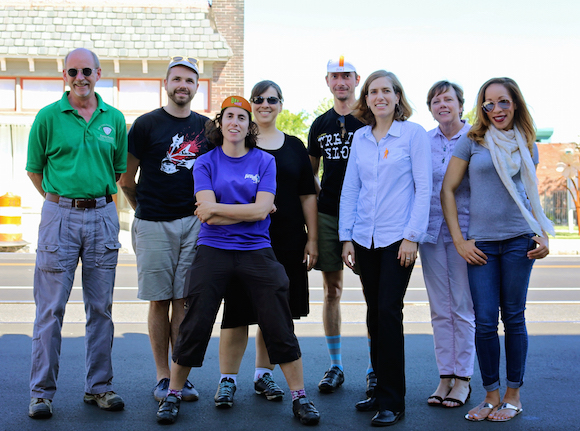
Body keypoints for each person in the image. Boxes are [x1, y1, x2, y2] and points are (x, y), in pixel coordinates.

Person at [155, 96, 320, 426]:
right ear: (220, 123)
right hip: (213, 250)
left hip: (257, 250)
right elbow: (207, 216)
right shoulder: (205, 162)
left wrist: (224, 209)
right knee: (196, 320)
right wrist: (250, 212)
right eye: (228, 116)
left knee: (278, 320)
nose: (235, 122)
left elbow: (255, 209)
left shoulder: (264, 162)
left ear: (249, 126)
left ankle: (300, 397)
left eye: (241, 118)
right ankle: (172, 395)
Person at [441, 77, 553, 422]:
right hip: (483, 245)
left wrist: (544, 235)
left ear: (514, 103)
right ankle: (490, 395)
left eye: (502, 102)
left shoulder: (528, 144)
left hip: (520, 240)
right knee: (486, 321)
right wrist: (460, 240)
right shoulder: (472, 142)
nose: (496, 109)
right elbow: (447, 190)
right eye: (488, 104)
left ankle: (513, 396)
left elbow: (530, 196)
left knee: (514, 318)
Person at [25, 48, 127, 419]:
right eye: (73, 71)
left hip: (102, 216)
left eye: (87, 70)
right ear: (64, 75)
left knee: (101, 308)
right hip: (59, 217)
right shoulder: (48, 117)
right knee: (50, 310)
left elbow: (117, 172)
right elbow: (35, 169)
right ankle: (41, 393)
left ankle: (99, 388)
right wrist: (61, 203)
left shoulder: (114, 119)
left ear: (98, 73)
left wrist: (90, 201)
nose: (80, 77)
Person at [215, 81, 318, 406]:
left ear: (281, 104)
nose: (264, 104)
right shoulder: (237, 146)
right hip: (242, 242)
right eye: (257, 100)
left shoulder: (295, 147)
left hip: (287, 243)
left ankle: (263, 374)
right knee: (237, 313)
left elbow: (307, 195)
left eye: (271, 99)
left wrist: (312, 238)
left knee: (276, 315)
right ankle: (227, 380)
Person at [339, 70, 432, 427]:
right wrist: (346, 237)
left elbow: (423, 190)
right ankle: (379, 391)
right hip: (364, 238)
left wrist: (413, 236)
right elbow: (351, 190)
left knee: (389, 313)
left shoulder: (413, 135)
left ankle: (393, 400)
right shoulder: (361, 137)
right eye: (373, 91)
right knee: (374, 314)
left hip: (398, 240)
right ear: (367, 99)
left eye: (386, 91)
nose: (380, 97)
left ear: (397, 97)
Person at [119, 56, 213, 403]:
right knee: (160, 301)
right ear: (166, 83)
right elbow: (126, 179)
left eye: (189, 81)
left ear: (196, 87)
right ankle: (162, 377)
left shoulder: (207, 129)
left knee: (183, 301)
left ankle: (179, 376)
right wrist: (143, 209)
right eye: (177, 79)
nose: (182, 85)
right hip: (153, 223)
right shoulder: (145, 125)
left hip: (193, 224)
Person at [307, 56, 370, 395]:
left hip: (367, 217)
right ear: (328, 81)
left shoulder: (370, 119)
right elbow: (310, 173)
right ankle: (336, 365)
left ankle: (376, 368)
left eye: (347, 75)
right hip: (330, 214)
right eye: (336, 76)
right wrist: (322, 205)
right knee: (332, 291)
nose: (341, 81)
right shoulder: (320, 124)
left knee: (373, 293)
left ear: (356, 79)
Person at [420, 81, 475, 408]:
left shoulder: (474, 138)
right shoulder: (424, 141)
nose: (442, 105)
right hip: (430, 232)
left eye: (448, 100)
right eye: (436, 101)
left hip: (465, 232)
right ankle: (445, 376)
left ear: (460, 104)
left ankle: (463, 378)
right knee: (440, 308)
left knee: (462, 307)